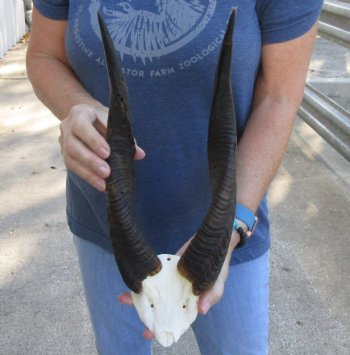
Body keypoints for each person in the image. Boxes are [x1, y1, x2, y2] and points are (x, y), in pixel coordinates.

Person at [27, 1, 324, 354]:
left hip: (223, 234)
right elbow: (45, 56)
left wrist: (232, 226)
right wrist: (78, 107)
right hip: (109, 231)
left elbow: (278, 97)